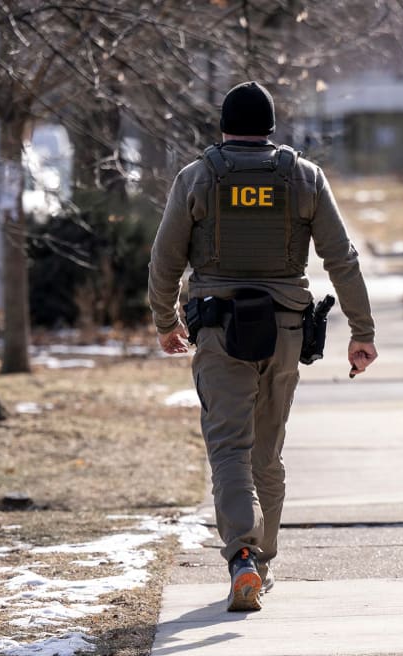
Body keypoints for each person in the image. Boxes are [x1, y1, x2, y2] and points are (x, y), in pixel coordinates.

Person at [147, 81, 377, 612]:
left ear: (223, 128)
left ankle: (242, 557)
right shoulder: (304, 177)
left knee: (230, 447)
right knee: (266, 454)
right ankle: (262, 562)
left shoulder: (198, 177)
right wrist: (361, 332)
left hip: (218, 328)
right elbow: (341, 258)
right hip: (285, 330)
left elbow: (165, 261)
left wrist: (165, 321)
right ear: (271, 128)